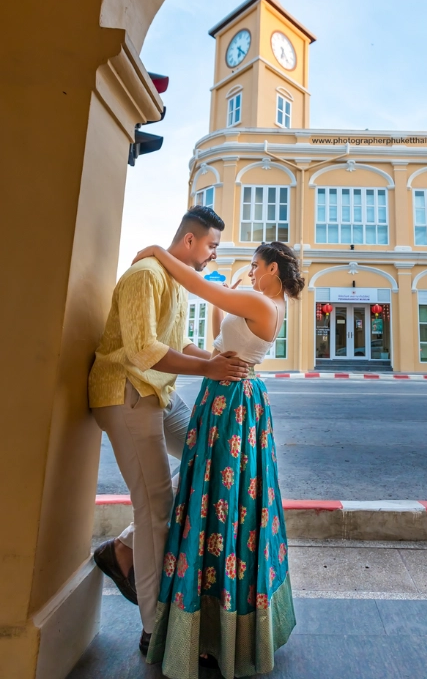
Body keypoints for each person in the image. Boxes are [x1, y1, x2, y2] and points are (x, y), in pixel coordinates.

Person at [132, 241, 304, 679]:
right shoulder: (267, 303)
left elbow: (196, 284)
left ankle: (210, 628)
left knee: (216, 501)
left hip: (229, 404)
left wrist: (157, 250)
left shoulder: (258, 301)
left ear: (270, 268)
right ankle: (219, 626)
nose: (249, 270)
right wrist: (235, 284)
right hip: (234, 400)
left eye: (254, 265)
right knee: (225, 501)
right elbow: (220, 333)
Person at [88, 206, 249, 656]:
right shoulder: (146, 275)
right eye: (212, 246)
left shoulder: (175, 281)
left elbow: (177, 343)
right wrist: (206, 367)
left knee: (210, 458)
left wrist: (220, 366)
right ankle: (155, 629)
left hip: (157, 392)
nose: (212, 256)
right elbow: (143, 351)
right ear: (190, 241)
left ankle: (121, 550)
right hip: (127, 393)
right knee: (156, 508)